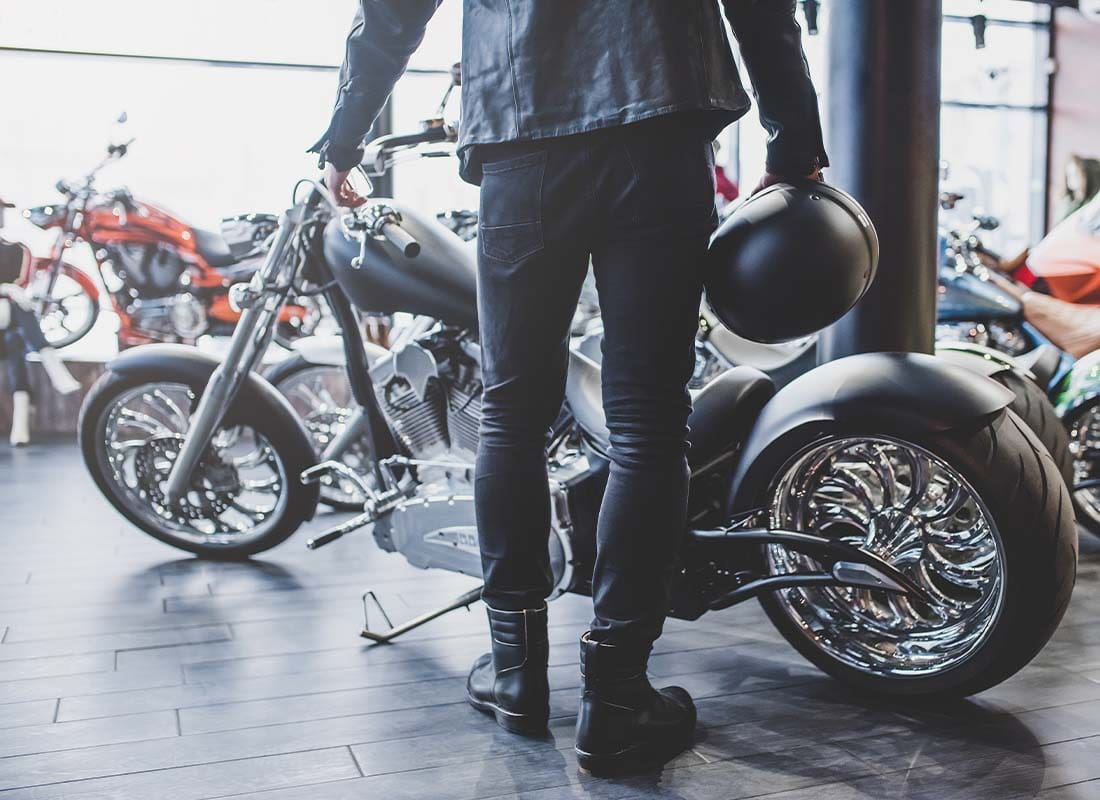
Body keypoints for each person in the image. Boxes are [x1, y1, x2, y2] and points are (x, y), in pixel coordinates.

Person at [312, 0, 826, 773]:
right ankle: (617, 701)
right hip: (661, 128)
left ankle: (517, 676)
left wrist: (344, 137)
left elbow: (391, 12)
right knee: (649, 422)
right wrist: (793, 138)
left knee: (511, 414)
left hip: (522, 137)